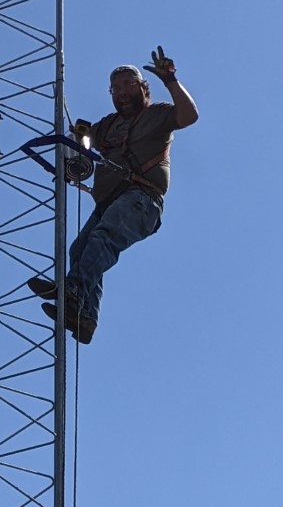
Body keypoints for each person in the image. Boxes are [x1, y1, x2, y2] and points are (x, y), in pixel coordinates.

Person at [27, 46, 199, 342]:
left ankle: (73, 291)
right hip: (111, 202)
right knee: (79, 250)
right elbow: (82, 141)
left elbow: (189, 115)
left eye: (128, 84)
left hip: (142, 199)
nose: (120, 91)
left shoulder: (156, 115)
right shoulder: (108, 124)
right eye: (115, 87)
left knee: (102, 239)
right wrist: (73, 146)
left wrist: (170, 80)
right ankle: (84, 317)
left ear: (143, 87)